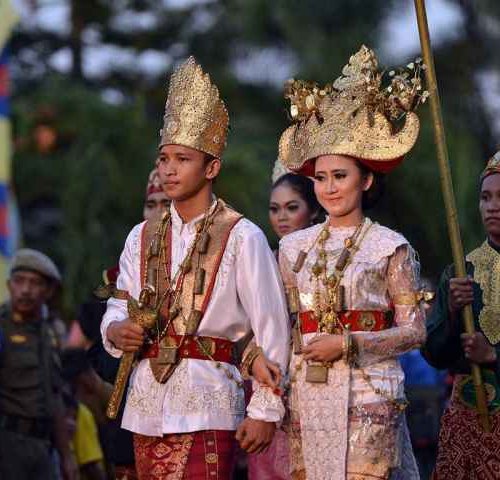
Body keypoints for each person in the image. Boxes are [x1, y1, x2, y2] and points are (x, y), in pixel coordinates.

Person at [100, 56, 290, 480]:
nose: (169, 168)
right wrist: (116, 330)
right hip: (146, 405)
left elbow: (271, 330)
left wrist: (265, 408)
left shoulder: (244, 237)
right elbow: (120, 305)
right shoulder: (141, 236)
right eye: (164, 158)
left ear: (212, 167)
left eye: (182, 158)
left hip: (209, 402)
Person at [277, 45, 427, 479]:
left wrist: (349, 344)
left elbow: (414, 329)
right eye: (320, 178)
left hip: (370, 391)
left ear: (366, 179)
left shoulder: (389, 245)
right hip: (307, 390)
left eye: (339, 176)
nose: (328, 188)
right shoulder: (292, 248)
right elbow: (286, 326)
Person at [423, 151, 500, 479]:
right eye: (485, 197)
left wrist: (493, 356)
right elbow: (434, 354)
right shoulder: (459, 271)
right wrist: (453, 312)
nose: (492, 206)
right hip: (467, 418)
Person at [0, 248, 77, 480]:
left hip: (44, 447)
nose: (25, 290)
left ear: (48, 290)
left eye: (35, 283)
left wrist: (67, 456)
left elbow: (55, 398)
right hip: (7, 444)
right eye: (19, 281)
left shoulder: (51, 332)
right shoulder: (2, 329)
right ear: (9, 285)